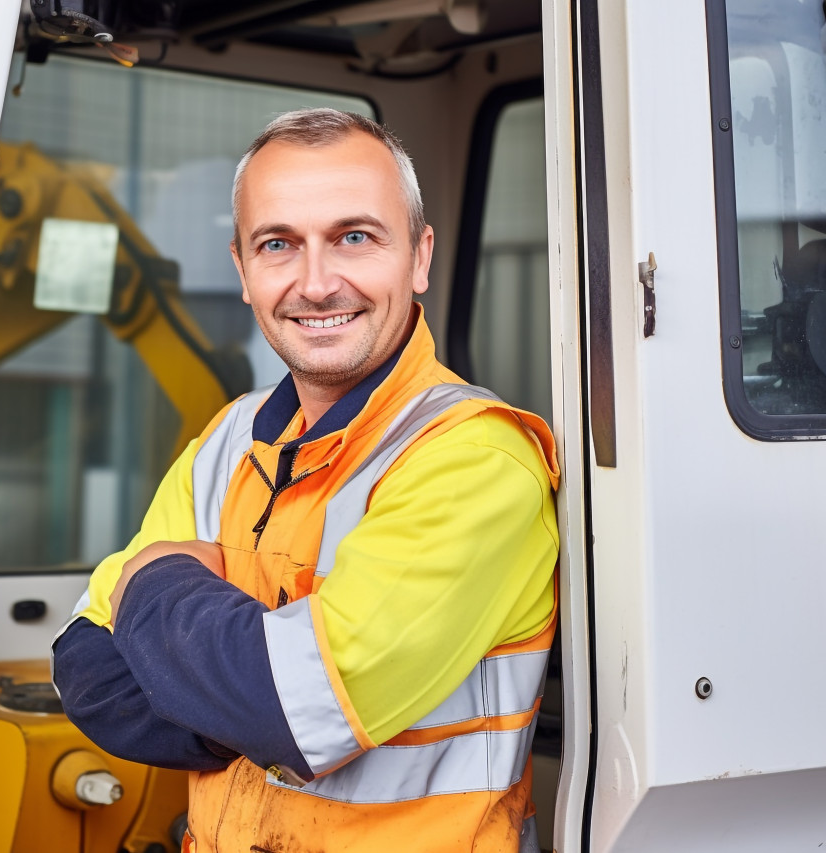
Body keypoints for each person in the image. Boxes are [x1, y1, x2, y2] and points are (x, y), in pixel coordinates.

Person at [51, 108, 560, 853]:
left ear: (419, 257)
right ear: (243, 271)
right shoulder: (228, 440)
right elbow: (87, 672)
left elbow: (290, 710)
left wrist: (154, 584)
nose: (317, 283)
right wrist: (236, 691)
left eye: (354, 237)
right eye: (279, 244)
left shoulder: (474, 458)